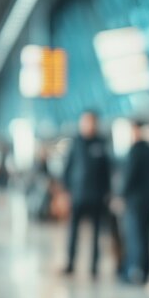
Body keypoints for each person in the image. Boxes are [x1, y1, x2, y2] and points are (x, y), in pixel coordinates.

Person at [62, 110, 111, 277]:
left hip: (97, 197)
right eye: (85, 121)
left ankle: (94, 267)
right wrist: (66, 192)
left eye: (90, 121)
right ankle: (70, 263)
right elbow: (67, 169)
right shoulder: (76, 143)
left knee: (97, 234)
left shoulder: (101, 143)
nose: (87, 125)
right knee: (73, 232)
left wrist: (108, 193)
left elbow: (107, 171)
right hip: (78, 195)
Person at [117, 120, 149, 284]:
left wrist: (120, 195)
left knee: (135, 236)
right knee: (145, 236)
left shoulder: (135, 150)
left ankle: (135, 271)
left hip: (135, 200)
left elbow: (129, 176)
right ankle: (146, 270)